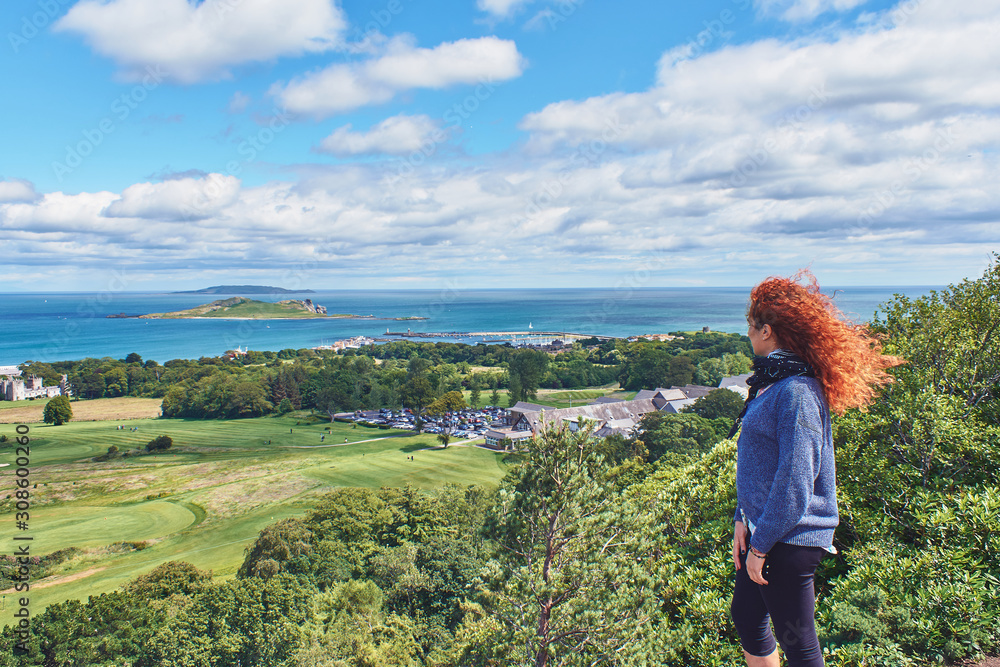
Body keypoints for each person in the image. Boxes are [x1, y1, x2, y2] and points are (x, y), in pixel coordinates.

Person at [730, 271, 900, 667]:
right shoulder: (773, 381)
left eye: (750, 328)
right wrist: (742, 516)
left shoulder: (797, 392)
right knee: (748, 615)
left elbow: (795, 481)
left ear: (767, 331)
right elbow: (759, 465)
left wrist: (761, 545)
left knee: (800, 644)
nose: (748, 336)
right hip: (765, 527)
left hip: (790, 535)